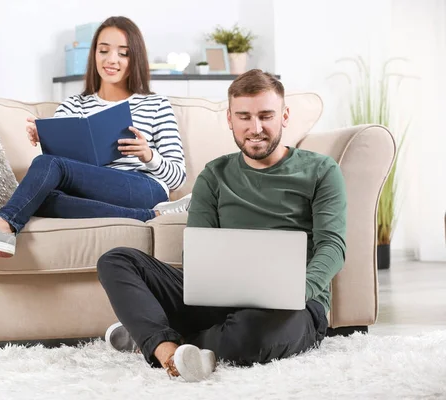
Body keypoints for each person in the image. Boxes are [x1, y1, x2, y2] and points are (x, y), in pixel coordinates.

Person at [97, 69, 347, 382]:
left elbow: (333, 247)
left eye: (265, 116)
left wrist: (299, 291)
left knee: (250, 336)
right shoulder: (214, 175)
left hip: (293, 304)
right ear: (230, 119)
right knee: (117, 260)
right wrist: (210, 282)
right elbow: (197, 255)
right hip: (219, 300)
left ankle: (150, 336)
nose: (255, 128)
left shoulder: (321, 171)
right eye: (244, 117)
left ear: (284, 116)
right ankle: (164, 347)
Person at [0, 16, 191, 258]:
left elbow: (178, 177)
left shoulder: (156, 105)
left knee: (45, 170)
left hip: (143, 185)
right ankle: (150, 215)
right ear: (94, 55)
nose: (112, 59)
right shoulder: (73, 105)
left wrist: (148, 155)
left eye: (123, 53)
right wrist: (45, 137)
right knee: (37, 198)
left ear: (134, 58)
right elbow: (60, 170)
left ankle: (2, 224)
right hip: (92, 189)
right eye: (104, 50)